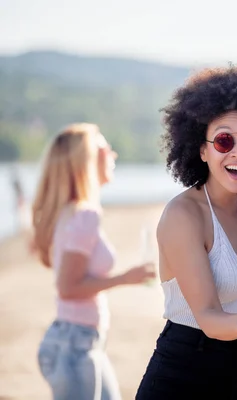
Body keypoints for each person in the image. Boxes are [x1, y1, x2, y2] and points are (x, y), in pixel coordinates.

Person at [135, 64, 237, 399]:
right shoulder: (184, 214)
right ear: (202, 150)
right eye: (223, 141)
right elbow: (207, 316)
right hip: (183, 381)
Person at [31, 123, 156, 400]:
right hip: (74, 346)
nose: (113, 154)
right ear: (85, 160)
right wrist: (125, 278)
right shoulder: (84, 215)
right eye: (103, 148)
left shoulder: (70, 211)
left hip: (78, 341)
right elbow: (68, 287)